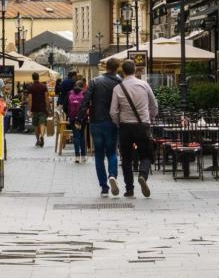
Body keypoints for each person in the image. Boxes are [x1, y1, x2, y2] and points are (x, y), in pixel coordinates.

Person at [110, 59, 158, 198]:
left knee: (126, 159)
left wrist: (119, 123)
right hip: (142, 125)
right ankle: (143, 175)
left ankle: (129, 189)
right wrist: (150, 118)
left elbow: (113, 111)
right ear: (135, 69)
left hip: (125, 126)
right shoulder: (143, 85)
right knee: (147, 154)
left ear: (123, 71)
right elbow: (154, 105)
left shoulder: (118, 88)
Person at [82, 59, 123, 195]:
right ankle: (112, 175)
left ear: (106, 67)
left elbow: (86, 100)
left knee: (99, 155)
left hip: (96, 122)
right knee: (112, 152)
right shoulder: (119, 82)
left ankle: (104, 187)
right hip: (112, 122)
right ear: (117, 68)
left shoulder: (95, 81)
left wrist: (79, 118)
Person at [67, 77, 88, 163]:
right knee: (82, 135)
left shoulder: (69, 93)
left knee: (76, 135)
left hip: (73, 118)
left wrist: (69, 114)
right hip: (82, 118)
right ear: (82, 86)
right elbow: (87, 105)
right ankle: (83, 156)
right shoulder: (85, 93)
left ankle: (76, 156)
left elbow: (65, 105)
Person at [25, 71, 50, 147]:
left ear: (32, 78)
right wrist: (48, 107)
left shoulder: (30, 87)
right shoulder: (43, 86)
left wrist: (29, 109)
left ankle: (38, 140)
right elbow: (46, 98)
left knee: (36, 125)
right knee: (42, 123)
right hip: (42, 108)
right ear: (38, 77)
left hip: (34, 108)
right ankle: (42, 135)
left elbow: (30, 99)